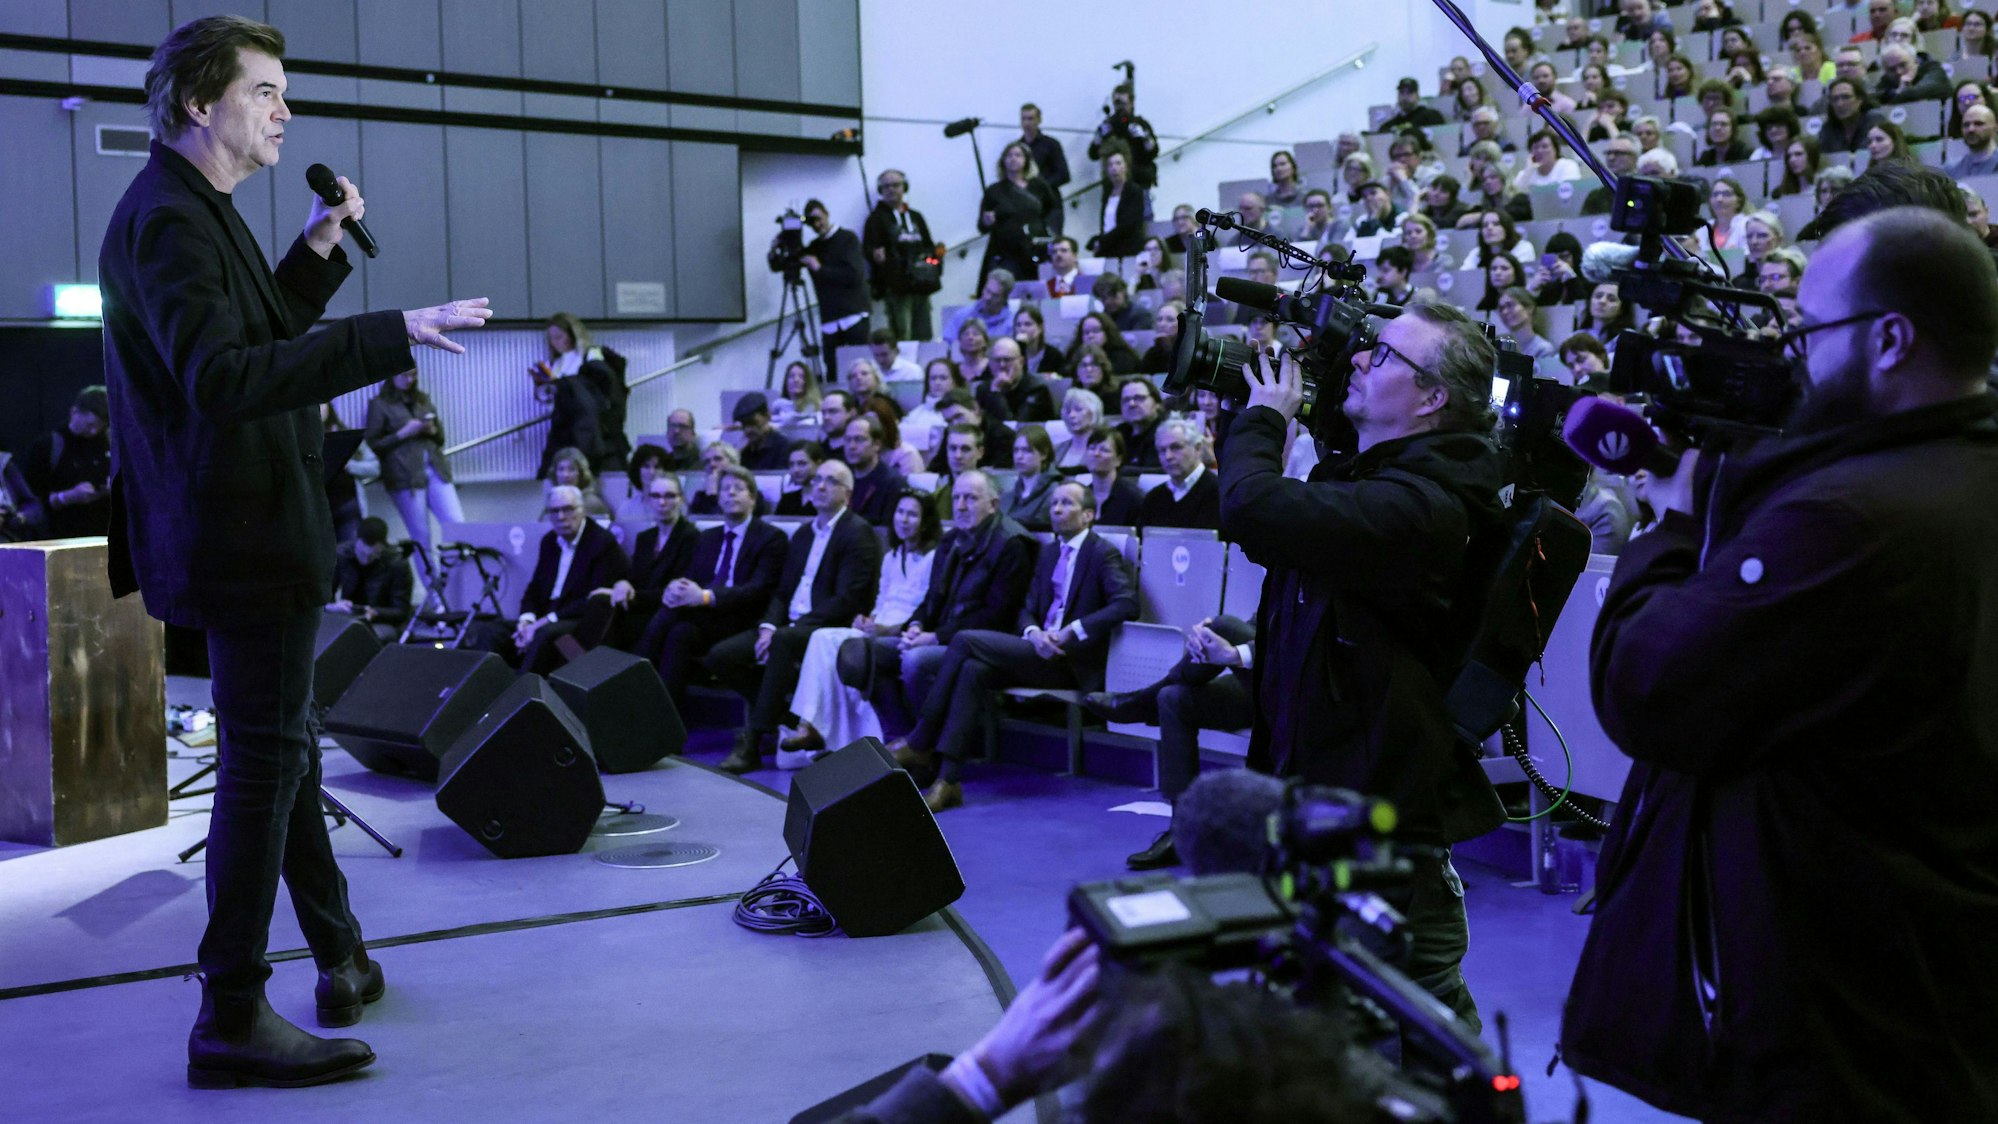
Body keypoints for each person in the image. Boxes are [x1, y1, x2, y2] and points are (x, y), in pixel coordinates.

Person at [99, 15, 494, 1089]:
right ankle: (230, 1009)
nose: (285, 111)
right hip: (241, 534)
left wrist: (320, 247)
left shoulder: (195, 211)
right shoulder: (171, 222)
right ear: (199, 103)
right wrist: (389, 329)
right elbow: (224, 378)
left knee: (285, 750)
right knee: (265, 763)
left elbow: (257, 330)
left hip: (247, 529)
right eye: (266, 92)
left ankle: (340, 953)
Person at [1564, 206, 1998, 1121]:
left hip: (1841, 1002)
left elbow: (1648, 687)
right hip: (1944, 970)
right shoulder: (1958, 473)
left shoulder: (1850, 519)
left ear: (1888, 340)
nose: (1789, 353)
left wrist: (1678, 521)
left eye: (1808, 329)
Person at [1220, 302, 1508, 1029]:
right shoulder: (1376, 479)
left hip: (1388, 837)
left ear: (1433, 397)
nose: (1358, 359)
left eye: (1381, 357)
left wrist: (1263, 418)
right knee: (1336, 1030)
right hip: (1333, 808)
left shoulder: (1420, 507)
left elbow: (1253, 508)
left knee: (1428, 1036)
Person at [887, 480, 1139, 810]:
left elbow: (1126, 604)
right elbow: (1026, 609)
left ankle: (921, 739)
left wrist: (1071, 632)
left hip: (1071, 660)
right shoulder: (1049, 552)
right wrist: (1034, 632)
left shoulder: (1101, 551)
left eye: (1067, 503)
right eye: (1053, 503)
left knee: (964, 640)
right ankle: (948, 781)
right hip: (1037, 650)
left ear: (1088, 515)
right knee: (973, 670)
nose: (1057, 509)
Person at [706, 459, 880, 773]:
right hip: (788, 626)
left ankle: (754, 740)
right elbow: (782, 592)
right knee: (720, 656)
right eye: (817, 480)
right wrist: (768, 626)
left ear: (847, 493)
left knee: (784, 642)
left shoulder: (858, 533)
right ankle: (786, 717)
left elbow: (848, 600)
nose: (821, 486)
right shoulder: (802, 533)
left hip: (828, 628)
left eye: (831, 481)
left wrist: (791, 628)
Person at [778, 489, 940, 764]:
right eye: (900, 513)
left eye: (912, 514)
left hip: (904, 633)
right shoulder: (891, 557)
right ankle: (812, 725)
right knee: (822, 638)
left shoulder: (934, 557)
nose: (904, 520)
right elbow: (882, 601)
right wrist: (868, 620)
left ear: (925, 521)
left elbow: (927, 609)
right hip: (879, 627)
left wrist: (888, 630)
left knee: (843, 647)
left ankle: (829, 731)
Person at [1083, 614, 1257, 869]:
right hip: (1258, 685)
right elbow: (1261, 623)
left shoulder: (1327, 576)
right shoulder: (1282, 577)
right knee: (1172, 698)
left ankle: (1139, 703)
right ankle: (1181, 831)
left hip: (1302, 692)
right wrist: (1206, 639)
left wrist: (1236, 652)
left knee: (1224, 626)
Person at [882, 469, 1036, 725]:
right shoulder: (950, 540)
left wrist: (934, 637)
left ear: (994, 504)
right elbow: (932, 598)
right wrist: (916, 626)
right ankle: (899, 732)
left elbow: (997, 616)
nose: (961, 506)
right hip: (938, 634)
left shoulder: (1011, 545)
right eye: (956, 498)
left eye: (971, 499)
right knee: (866, 653)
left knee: (914, 660)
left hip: (978, 644)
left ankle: (928, 738)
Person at [637, 465, 788, 707]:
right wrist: (676, 588)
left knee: (669, 618)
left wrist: (705, 597)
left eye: (738, 489)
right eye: (725, 489)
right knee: (679, 633)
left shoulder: (770, 537)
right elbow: (692, 577)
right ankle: (666, 718)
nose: (730, 494)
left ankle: (635, 676)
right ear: (718, 498)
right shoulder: (708, 537)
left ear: (752, 498)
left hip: (743, 619)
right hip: (708, 619)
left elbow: (758, 590)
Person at [493, 484, 629, 675]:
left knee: (544, 635)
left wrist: (542, 623)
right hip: (546, 615)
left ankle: (524, 694)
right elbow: (536, 588)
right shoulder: (550, 541)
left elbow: (593, 599)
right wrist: (526, 621)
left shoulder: (602, 543)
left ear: (583, 510)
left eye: (568, 509)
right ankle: (488, 693)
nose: (561, 517)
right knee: (491, 631)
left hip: (577, 620)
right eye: (555, 511)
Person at [578, 471, 698, 654]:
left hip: (664, 610)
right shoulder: (646, 538)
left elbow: (674, 590)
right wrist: (622, 583)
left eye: (669, 496)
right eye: (656, 496)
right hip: (638, 606)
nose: (662, 502)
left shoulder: (691, 536)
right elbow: (633, 577)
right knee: (598, 602)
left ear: (680, 499)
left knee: (606, 606)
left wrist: (627, 594)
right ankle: (581, 664)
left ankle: (590, 666)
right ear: (648, 500)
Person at [23, 384, 113, 539]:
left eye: (101, 427)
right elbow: (31, 501)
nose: (94, 431)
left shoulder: (109, 443)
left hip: (104, 533)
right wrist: (67, 497)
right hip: (62, 535)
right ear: (74, 412)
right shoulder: (48, 446)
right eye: (90, 424)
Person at [861, 168, 937, 343]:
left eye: (896, 185)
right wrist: (874, 254)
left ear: (905, 187)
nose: (891, 189)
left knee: (925, 334)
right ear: (881, 191)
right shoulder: (875, 219)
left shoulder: (916, 216)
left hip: (922, 284)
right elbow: (868, 248)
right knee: (903, 337)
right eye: (886, 186)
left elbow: (929, 245)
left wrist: (932, 264)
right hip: (896, 288)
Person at [977, 142, 1060, 291]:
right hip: (1006, 253)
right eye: (1009, 155)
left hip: (1036, 250)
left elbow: (1054, 209)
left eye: (1018, 155)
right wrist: (987, 220)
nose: (1013, 159)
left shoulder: (1039, 186)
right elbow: (981, 226)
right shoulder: (994, 190)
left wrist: (1052, 234)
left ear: (1026, 160)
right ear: (1003, 161)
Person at [799, 198, 870, 355]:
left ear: (827, 214)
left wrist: (820, 268)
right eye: (811, 222)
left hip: (854, 314)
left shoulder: (847, 238)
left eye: (818, 219)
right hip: (830, 319)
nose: (817, 225)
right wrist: (776, 250)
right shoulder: (814, 247)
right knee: (832, 371)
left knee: (859, 364)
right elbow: (786, 264)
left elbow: (854, 275)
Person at [325, 517, 411, 641]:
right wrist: (334, 607)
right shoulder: (341, 555)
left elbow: (401, 611)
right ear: (357, 541)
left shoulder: (397, 563)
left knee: (361, 638)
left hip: (383, 621)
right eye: (362, 554)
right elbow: (323, 596)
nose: (365, 559)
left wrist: (375, 612)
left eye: (372, 555)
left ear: (382, 547)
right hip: (352, 617)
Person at [1135, 417, 1220, 532]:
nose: (1168, 456)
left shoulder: (1219, 492)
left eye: (1176, 447)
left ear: (1198, 448)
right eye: (1162, 450)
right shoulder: (1153, 498)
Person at [319, 401, 374, 544]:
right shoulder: (302, 441)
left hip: (347, 508)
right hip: (319, 514)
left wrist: (350, 465)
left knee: (350, 552)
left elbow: (375, 467)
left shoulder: (344, 434)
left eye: (322, 403)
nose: (319, 409)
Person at [1088, 83, 1159, 188]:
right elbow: (1093, 154)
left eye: (1124, 104)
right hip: (1113, 185)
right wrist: (1099, 138)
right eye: (1117, 103)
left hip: (1138, 182)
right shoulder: (1108, 125)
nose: (1120, 108)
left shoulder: (1140, 124)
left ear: (1131, 103)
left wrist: (1144, 137)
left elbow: (1153, 151)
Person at [841, 414, 908, 526]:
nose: (851, 446)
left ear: (877, 445)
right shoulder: (841, 478)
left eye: (859, 439)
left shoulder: (893, 483)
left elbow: (888, 533)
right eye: (848, 440)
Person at [926, 388, 1015, 472]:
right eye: (949, 421)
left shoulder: (1003, 435)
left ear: (974, 409)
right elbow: (937, 467)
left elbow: (1001, 473)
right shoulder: (951, 431)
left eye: (958, 416)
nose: (955, 424)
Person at [1091, 144, 1148, 259]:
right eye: (1110, 164)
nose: (1114, 168)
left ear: (1126, 166)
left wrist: (1102, 240)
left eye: (1118, 163)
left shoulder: (1134, 190)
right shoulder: (1107, 191)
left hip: (1127, 247)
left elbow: (1128, 224)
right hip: (1109, 246)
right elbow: (1106, 222)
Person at [1001, 425, 1058, 531]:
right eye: (1016, 450)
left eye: (1026, 450)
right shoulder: (1008, 495)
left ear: (1044, 454)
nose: (1019, 456)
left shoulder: (1056, 492)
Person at [1085, 426, 1144, 525]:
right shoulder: (1082, 496)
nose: (1096, 454)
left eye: (1104, 450)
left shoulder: (1133, 498)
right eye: (1092, 448)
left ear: (1118, 460)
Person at [1819, 77, 1886, 155]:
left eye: (1846, 97)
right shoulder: (1827, 129)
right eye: (1835, 99)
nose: (1840, 104)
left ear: (1860, 100)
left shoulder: (1874, 119)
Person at [545, 445, 611, 519]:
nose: (565, 475)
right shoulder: (553, 501)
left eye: (571, 469)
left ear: (581, 473)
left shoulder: (592, 503)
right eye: (561, 469)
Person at [732, 391, 792, 472]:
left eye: (753, 423)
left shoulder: (783, 447)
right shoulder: (744, 450)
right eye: (744, 425)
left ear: (767, 416)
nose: (748, 430)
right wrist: (736, 454)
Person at [1017, 102, 1068, 191]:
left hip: (1049, 199)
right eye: (1023, 119)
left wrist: (1040, 187)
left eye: (1030, 119)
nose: (1026, 123)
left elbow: (1064, 175)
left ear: (1039, 120)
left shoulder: (1051, 144)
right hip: (1025, 200)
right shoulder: (1017, 148)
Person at [1116, 378, 1166, 469]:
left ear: (1157, 403)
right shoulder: (1118, 434)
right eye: (1126, 400)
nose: (1132, 404)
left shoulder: (1167, 432)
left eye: (1139, 398)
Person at [1075, 310, 1140, 374]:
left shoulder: (1123, 358)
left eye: (1096, 331)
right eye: (1086, 332)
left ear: (1107, 332)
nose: (1090, 336)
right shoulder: (1076, 357)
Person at [1012, 305, 1064, 377]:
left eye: (1028, 324)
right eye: (1018, 325)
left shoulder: (1054, 356)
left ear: (1040, 328)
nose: (1022, 329)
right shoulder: (1011, 355)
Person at [1380, 75, 1447, 132]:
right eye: (1402, 92)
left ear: (1417, 95)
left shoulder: (1431, 116)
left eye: (1409, 92)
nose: (1405, 97)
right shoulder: (1389, 126)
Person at [773, 442, 822, 516]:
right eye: (791, 464)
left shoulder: (826, 500)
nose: (795, 470)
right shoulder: (787, 500)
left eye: (802, 463)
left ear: (818, 464)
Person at [1948, 104, 1998, 176]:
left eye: (1978, 124)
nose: (1971, 129)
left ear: (1995, 127)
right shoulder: (1951, 170)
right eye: (1966, 125)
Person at [1139, 301, 1181, 373]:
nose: (1162, 324)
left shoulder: (1190, 350)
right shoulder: (1152, 352)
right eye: (1159, 319)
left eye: (1170, 320)